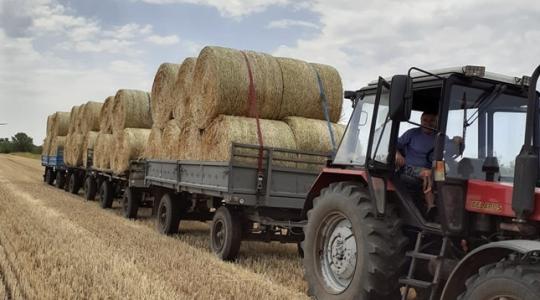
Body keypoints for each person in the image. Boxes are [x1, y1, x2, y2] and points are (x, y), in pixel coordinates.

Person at [395, 112, 463, 217]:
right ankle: (431, 206)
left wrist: (458, 142)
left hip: (432, 167)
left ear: (437, 122)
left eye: (432, 121)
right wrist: (397, 154)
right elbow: (394, 145)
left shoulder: (441, 136)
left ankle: (449, 208)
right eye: (425, 120)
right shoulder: (412, 133)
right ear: (421, 121)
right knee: (427, 173)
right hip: (410, 167)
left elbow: (453, 151)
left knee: (448, 172)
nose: (428, 123)